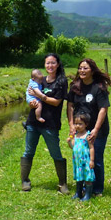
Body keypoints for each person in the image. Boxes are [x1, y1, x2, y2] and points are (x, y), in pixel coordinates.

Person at [20, 53, 69, 194]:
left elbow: (56, 102)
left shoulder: (61, 81)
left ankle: (62, 183)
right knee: (28, 151)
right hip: (33, 122)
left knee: (56, 153)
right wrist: (32, 102)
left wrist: (40, 96)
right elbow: (30, 97)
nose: (50, 66)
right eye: (47, 63)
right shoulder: (40, 80)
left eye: (53, 63)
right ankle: (25, 181)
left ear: (58, 64)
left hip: (51, 123)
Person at [67, 58, 111, 197]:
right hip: (80, 129)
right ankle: (84, 187)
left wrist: (96, 130)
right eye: (80, 68)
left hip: (98, 129)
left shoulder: (99, 87)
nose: (82, 70)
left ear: (92, 70)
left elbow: (103, 109)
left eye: (85, 68)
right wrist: (71, 125)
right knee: (82, 158)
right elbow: (70, 105)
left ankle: (97, 189)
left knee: (96, 158)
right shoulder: (75, 86)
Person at [67, 113, 95, 201]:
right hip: (78, 161)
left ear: (86, 124)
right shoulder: (75, 135)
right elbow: (73, 147)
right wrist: (69, 141)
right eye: (76, 124)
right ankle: (78, 193)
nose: (77, 126)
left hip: (85, 160)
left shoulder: (87, 135)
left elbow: (91, 148)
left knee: (87, 177)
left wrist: (92, 160)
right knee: (79, 177)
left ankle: (87, 195)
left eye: (80, 124)